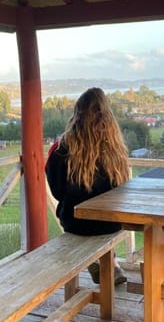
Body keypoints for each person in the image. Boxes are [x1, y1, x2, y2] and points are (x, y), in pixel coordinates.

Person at [45, 87, 130, 285]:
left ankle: (101, 263)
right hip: (113, 223)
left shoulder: (61, 149)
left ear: (77, 113)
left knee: (86, 220)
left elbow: (57, 192)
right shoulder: (115, 148)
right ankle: (112, 263)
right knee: (104, 218)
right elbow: (122, 187)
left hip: (75, 223)